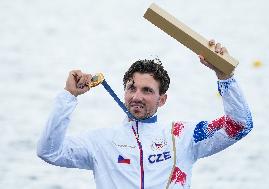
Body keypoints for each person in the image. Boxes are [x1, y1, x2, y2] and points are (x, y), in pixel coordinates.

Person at [37, 40, 253, 189]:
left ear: (162, 99)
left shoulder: (183, 136)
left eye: (147, 90)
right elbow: (49, 152)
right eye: (132, 88)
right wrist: (68, 96)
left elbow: (240, 125)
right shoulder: (101, 142)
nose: (137, 96)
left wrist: (225, 76)